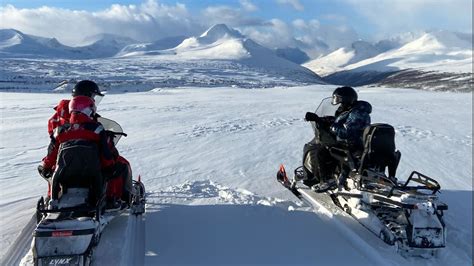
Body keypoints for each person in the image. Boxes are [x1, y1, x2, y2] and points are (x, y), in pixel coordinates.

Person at [38, 80, 132, 208]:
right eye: (93, 96)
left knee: (54, 168)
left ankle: (54, 196)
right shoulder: (91, 125)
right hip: (87, 163)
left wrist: (46, 164)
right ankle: (114, 197)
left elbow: (53, 145)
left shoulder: (63, 123)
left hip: (65, 160)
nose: (94, 100)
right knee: (118, 165)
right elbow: (106, 156)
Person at [304, 86, 372, 191]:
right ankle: (336, 174)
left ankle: (327, 181)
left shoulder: (358, 113)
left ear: (347, 99)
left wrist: (331, 128)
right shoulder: (351, 110)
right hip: (349, 143)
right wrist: (319, 119)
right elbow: (338, 121)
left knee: (322, 152)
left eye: (340, 100)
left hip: (352, 145)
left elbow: (347, 132)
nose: (339, 104)